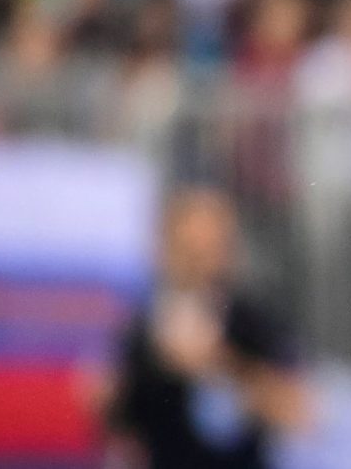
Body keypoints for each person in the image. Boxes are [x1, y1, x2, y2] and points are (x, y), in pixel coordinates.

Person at [107, 186, 308, 468]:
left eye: (208, 249)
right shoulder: (144, 326)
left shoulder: (251, 322)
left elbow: (299, 412)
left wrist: (218, 365)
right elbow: (123, 425)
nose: (199, 263)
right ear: (165, 247)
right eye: (188, 249)